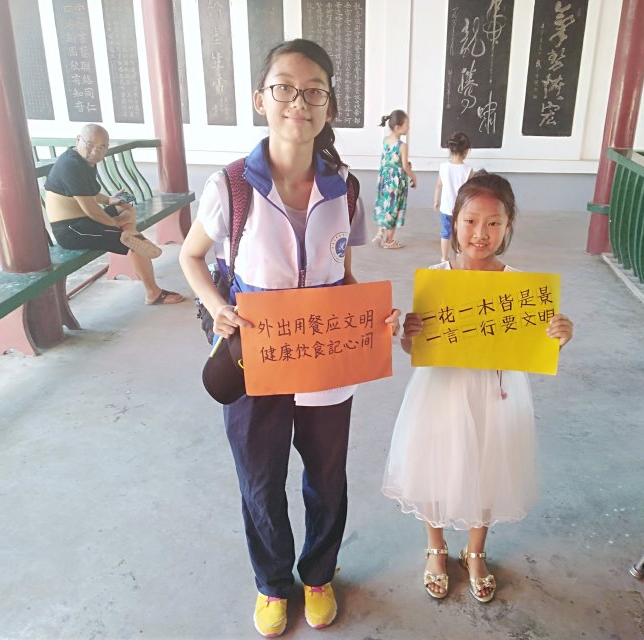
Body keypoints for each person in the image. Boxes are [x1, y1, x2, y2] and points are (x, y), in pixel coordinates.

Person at [178, 39, 400, 638]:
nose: (298, 101)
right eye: (284, 88)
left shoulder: (345, 188)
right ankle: (273, 583)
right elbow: (190, 256)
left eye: (313, 91)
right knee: (260, 478)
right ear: (261, 99)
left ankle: (319, 574)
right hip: (256, 357)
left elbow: (343, 273)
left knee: (327, 476)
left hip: (325, 357)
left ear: (328, 105)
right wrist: (218, 307)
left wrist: (369, 316)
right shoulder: (231, 187)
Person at [381, 172, 573, 604]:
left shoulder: (520, 287)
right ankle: (436, 547)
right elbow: (415, 348)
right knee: (435, 465)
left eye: (493, 223)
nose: (480, 233)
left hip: (495, 395)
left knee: (488, 467)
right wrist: (409, 334)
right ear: (455, 220)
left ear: (508, 226)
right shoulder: (436, 278)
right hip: (440, 391)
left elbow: (535, 345)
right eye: (470, 221)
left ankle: (475, 551)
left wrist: (558, 334)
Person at [45, 123, 184, 305]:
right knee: (136, 244)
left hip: (85, 220)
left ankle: (129, 231)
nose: (95, 151)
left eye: (101, 148)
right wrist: (115, 222)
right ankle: (153, 293)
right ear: (78, 139)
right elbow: (91, 209)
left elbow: (91, 193)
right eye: (90, 145)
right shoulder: (71, 165)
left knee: (125, 204)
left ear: (106, 148)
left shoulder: (84, 161)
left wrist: (110, 200)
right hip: (72, 230)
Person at [372, 109, 417, 249]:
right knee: (394, 208)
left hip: (384, 179)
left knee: (384, 204)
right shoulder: (402, 146)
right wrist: (413, 177)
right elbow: (404, 166)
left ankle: (379, 233)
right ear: (398, 127)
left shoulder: (385, 140)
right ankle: (389, 241)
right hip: (396, 183)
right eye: (406, 125)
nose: (408, 127)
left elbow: (390, 160)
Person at [433, 132, 473, 263]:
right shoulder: (468, 170)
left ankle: (444, 258)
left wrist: (436, 200)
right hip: (462, 210)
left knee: (446, 233)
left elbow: (438, 185)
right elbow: (470, 192)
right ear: (466, 151)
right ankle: (460, 258)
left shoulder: (443, 167)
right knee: (461, 233)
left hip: (445, 208)